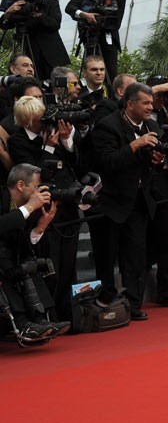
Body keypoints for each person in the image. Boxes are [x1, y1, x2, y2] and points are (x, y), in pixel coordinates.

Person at [89, 83, 164, 320]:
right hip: (111, 202)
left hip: (139, 201)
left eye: (151, 103)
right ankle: (105, 302)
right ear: (130, 104)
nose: (150, 107)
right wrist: (134, 145)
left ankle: (133, 304)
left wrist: (157, 160)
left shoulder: (152, 126)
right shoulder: (106, 126)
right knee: (107, 255)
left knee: (135, 255)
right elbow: (106, 162)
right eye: (145, 103)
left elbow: (151, 164)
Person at [8, 96, 81, 322]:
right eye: (39, 119)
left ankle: (68, 313)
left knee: (69, 264)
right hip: (41, 211)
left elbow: (74, 164)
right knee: (52, 265)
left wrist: (66, 141)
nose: (45, 122)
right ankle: (51, 315)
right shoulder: (18, 141)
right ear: (28, 120)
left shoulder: (51, 134)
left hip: (66, 205)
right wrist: (49, 147)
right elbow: (31, 175)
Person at [0, 163, 68, 345]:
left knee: (30, 263)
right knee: (8, 267)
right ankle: (22, 324)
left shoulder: (27, 208)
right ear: (21, 185)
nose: (40, 191)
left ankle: (41, 320)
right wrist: (29, 207)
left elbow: (25, 245)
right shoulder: (4, 198)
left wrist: (41, 227)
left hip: (12, 260)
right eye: (36, 187)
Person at [0, 0, 70, 81]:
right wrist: (8, 12)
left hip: (52, 54)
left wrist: (40, 15)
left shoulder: (50, 1)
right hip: (30, 53)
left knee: (58, 86)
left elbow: (55, 24)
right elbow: (5, 26)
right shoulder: (19, 4)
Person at [65, 0, 126, 83]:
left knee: (110, 73)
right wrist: (85, 15)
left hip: (109, 38)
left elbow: (116, 22)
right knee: (92, 69)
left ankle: (112, 97)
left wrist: (104, 19)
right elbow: (70, 7)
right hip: (90, 35)